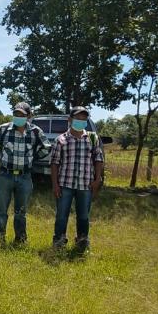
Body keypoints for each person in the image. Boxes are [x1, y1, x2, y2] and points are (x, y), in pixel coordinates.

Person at [0, 102, 50, 245]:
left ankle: (20, 240)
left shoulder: (35, 131)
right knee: (1, 210)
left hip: (25, 177)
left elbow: (47, 147)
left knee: (21, 212)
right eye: (16, 114)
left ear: (29, 116)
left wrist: (33, 158)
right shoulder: (4, 129)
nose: (18, 117)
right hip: (4, 175)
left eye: (22, 115)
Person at [50, 106, 104, 254]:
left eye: (84, 119)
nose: (81, 121)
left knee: (84, 216)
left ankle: (82, 242)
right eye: (77, 118)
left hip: (85, 184)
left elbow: (98, 159)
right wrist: (55, 185)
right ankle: (59, 241)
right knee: (61, 215)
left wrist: (97, 180)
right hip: (64, 184)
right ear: (70, 120)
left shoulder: (93, 138)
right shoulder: (60, 140)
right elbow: (54, 164)